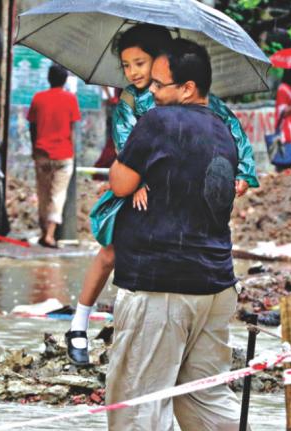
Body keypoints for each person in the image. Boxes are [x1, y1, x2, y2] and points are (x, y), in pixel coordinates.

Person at [64, 23, 258, 366]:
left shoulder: (199, 100)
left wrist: (243, 172)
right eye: (127, 65)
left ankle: (126, 326)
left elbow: (234, 133)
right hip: (142, 181)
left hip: (181, 187)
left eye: (141, 63)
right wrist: (137, 181)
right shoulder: (131, 101)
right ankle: (80, 321)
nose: (134, 73)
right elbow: (126, 145)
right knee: (111, 252)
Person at [105, 38, 257, 431]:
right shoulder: (225, 130)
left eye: (158, 82)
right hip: (214, 284)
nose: (150, 91)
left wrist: (127, 159)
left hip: (160, 283)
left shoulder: (157, 122)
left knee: (141, 396)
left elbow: (120, 183)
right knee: (206, 391)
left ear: (187, 88)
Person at [27, 64, 81, 248]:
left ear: (48, 79)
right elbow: (72, 128)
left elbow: (32, 127)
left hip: (42, 153)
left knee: (43, 194)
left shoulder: (38, 98)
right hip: (64, 154)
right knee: (58, 195)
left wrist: (34, 147)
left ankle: (43, 232)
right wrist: (72, 149)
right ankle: (50, 234)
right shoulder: (70, 99)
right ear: (65, 80)